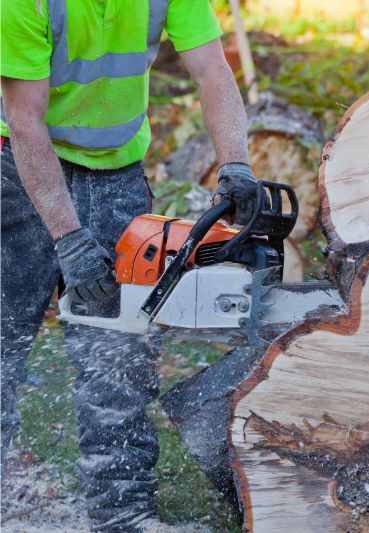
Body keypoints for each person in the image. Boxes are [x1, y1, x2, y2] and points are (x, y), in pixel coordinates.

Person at [1, 0, 259, 530]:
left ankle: (122, 514)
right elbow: (24, 120)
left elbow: (213, 70)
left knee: (119, 347)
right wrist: (68, 238)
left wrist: (235, 161)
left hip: (115, 173)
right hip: (17, 167)